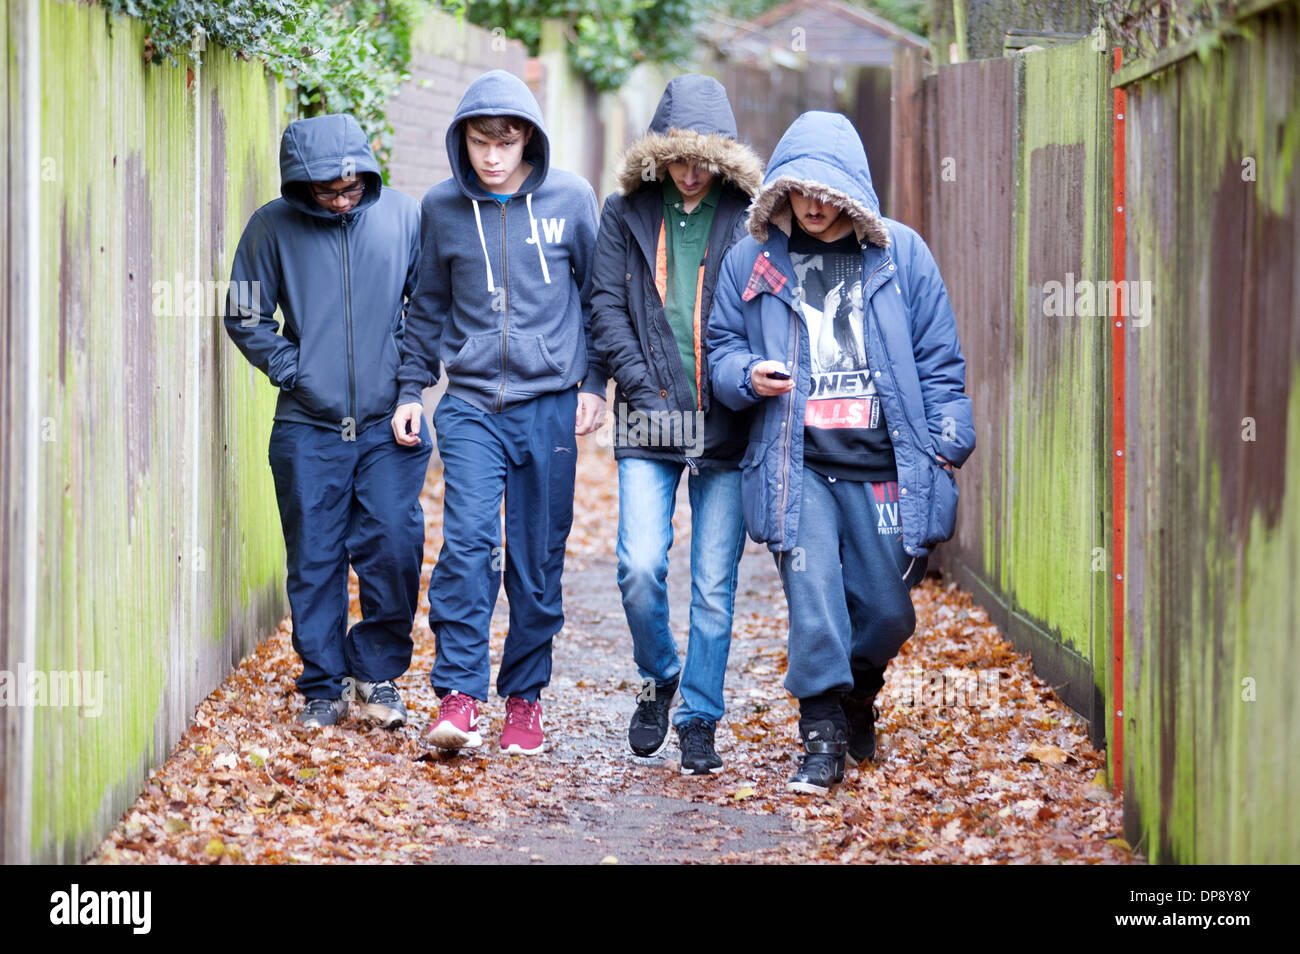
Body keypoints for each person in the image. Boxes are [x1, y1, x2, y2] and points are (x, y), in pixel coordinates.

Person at [707, 111, 975, 794]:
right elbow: (720, 348)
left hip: (887, 464)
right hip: (800, 462)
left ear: (854, 190)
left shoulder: (902, 255)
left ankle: (859, 692)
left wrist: (947, 442)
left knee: (887, 613)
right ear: (782, 190)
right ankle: (821, 734)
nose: (816, 206)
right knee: (815, 592)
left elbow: (939, 360)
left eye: (830, 193)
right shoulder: (754, 258)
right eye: (802, 191)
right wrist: (744, 376)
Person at [391, 70, 606, 756]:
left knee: (537, 559)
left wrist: (595, 384)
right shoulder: (443, 208)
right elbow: (424, 310)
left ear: (528, 140)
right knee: (468, 545)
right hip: (472, 405)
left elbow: (600, 298)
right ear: (463, 142)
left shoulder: (572, 200)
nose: (492, 156)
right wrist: (407, 392)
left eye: (505, 142)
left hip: (550, 406)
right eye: (480, 142)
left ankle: (524, 700)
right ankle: (458, 695)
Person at [224, 113, 431, 730]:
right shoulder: (271, 226)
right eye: (326, 190)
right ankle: (322, 685)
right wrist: (295, 369)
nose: (341, 198)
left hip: (389, 422)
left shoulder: (403, 216)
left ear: (366, 171)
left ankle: (377, 674)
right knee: (313, 556)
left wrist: (409, 385)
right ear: (301, 185)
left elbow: (427, 309)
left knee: (393, 545)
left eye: (349, 186)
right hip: (307, 427)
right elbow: (243, 313)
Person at [589, 74, 763, 775]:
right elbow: (604, 308)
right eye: (680, 157)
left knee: (714, 585)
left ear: (723, 160)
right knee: (639, 566)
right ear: (659, 155)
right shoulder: (623, 212)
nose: (692, 172)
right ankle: (659, 673)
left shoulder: (750, 216)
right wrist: (642, 391)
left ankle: (698, 717)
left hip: (724, 423)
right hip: (647, 416)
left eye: (706, 159)